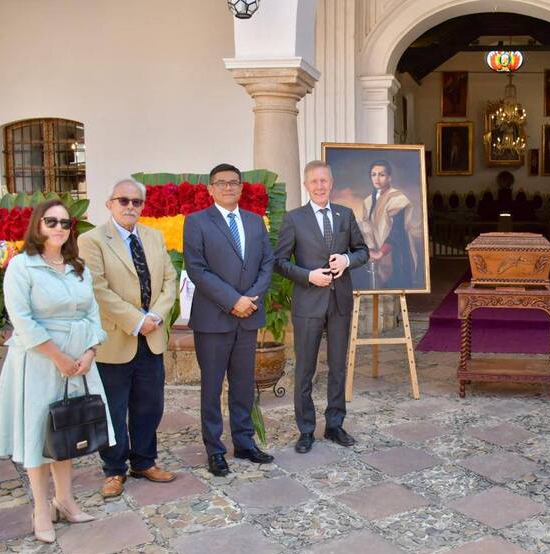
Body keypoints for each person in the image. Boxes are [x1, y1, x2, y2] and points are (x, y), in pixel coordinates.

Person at [0, 200, 114, 543]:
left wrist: (91, 351)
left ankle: (65, 501)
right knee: (39, 435)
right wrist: (57, 356)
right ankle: (41, 509)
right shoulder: (22, 266)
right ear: (38, 225)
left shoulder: (78, 267)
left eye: (65, 222)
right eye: (52, 221)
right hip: (39, 361)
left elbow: (92, 313)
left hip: (79, 361)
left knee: (68, 429)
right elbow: (22, 319)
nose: (60, 227)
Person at [79, 178, 179, 498]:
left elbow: (169, 281)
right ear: (109, 203)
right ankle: (114, 469)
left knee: (149, 405)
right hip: (116, 338)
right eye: (124, 201)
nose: (131, 207)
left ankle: (144, 461)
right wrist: (136, 321)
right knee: (113, 408)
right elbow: (98, 289)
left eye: (137, 202)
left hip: (151, 337)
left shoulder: (154, 236)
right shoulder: (91, 240)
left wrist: (156, 317)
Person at [183, 163, 275, 476]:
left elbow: (267, 263)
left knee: (243, 384)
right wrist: (232, 300)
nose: (228, 188)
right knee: (212, 387)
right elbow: (197, 269)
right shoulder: (196, 222)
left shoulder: (254, 221)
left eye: (233, 182)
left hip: (248, 316)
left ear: (241, 187)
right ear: (210, 189)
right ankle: (215, 450)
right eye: (221, 183)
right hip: (213, 319)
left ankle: (245, 442)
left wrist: (249, 299)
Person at [275, 160, 369, 454]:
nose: (319, 186)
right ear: (306, 185)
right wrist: (308, 276)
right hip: (308, 303)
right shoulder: (294, 219)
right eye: (313, 181)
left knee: (338, 367)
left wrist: (347, 260)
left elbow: (362, 251)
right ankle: (305, 429)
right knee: (305, 369)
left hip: (340, 301)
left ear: (332, 183)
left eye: (324, 181)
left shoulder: (345, 215)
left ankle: (334, 425)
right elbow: (279, 261)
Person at [357, 160, 423, 290]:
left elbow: (397, 230)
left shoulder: (398, 198)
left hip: (396, 250)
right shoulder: (368, 201)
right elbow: (366, 227)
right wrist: (370, 249)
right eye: (373, 174)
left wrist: (381, 253)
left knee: (395, 290)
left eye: (381, 175)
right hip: (374, 251)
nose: (377, 178)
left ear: (389, 177)